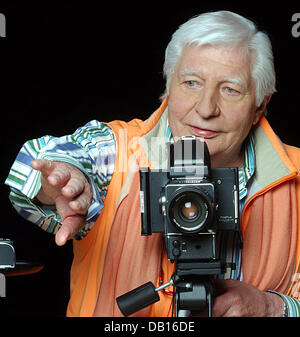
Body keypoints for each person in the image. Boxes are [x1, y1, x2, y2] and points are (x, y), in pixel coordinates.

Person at [5, 10, 300, 317]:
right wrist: (57, 183)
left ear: (259, 106)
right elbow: (38, 164)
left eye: (230, 90)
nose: (206, 108)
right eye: (191, 83)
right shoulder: (117, 151)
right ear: (167, 88)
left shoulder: (297, 177)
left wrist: (273, 307)